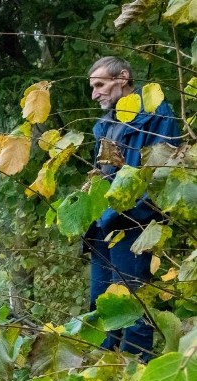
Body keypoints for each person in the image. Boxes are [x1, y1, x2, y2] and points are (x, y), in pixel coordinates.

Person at [85, 56, 180, 360]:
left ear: (123, 78)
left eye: (100, 84)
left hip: (134, 223)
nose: (94, 93)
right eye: (92, 87)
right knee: (101, 304)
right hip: (102, 225)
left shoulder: (155, 113)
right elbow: (102, 177)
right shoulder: (104, 125)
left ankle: (136, 373)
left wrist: (128, 213)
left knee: (131, 304)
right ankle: (101, 372)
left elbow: (160, 173)